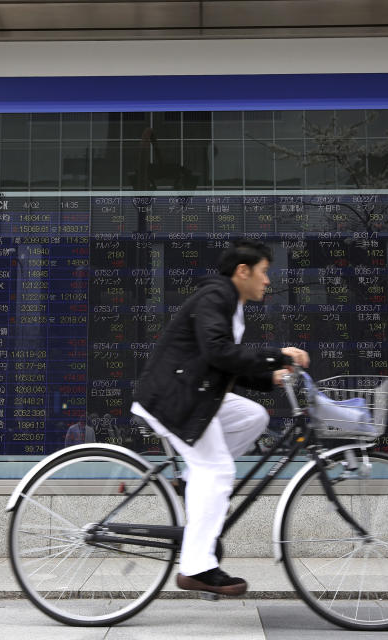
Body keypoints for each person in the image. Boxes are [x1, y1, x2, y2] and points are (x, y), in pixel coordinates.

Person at [131, 239, 309, 597]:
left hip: (192, 393)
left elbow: (221, 361)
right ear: (242, 271)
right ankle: (196, 567)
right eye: (263, 272)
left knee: (252, 417)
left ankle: (189, 481)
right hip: (173, 399)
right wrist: (278, 355)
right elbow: (218, 351)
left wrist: (267, 376)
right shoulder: (216, 297)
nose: (267, 281)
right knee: (219, 471)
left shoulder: (232, 305)